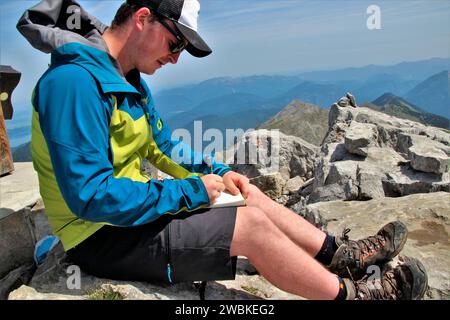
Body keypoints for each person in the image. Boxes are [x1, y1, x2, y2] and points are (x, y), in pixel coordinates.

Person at [17, 0, 428, 300]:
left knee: (244, 192)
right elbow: (90, 196)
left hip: (130, 217)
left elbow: (163, 148)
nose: (175, 59)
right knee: (249, 226)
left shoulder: (125, 79)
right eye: (175, 43)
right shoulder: (74, 84)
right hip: (99, 237)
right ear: (143, 18)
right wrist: (190, 192)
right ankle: (351, 296)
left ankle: (341, 255)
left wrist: (215, 171)